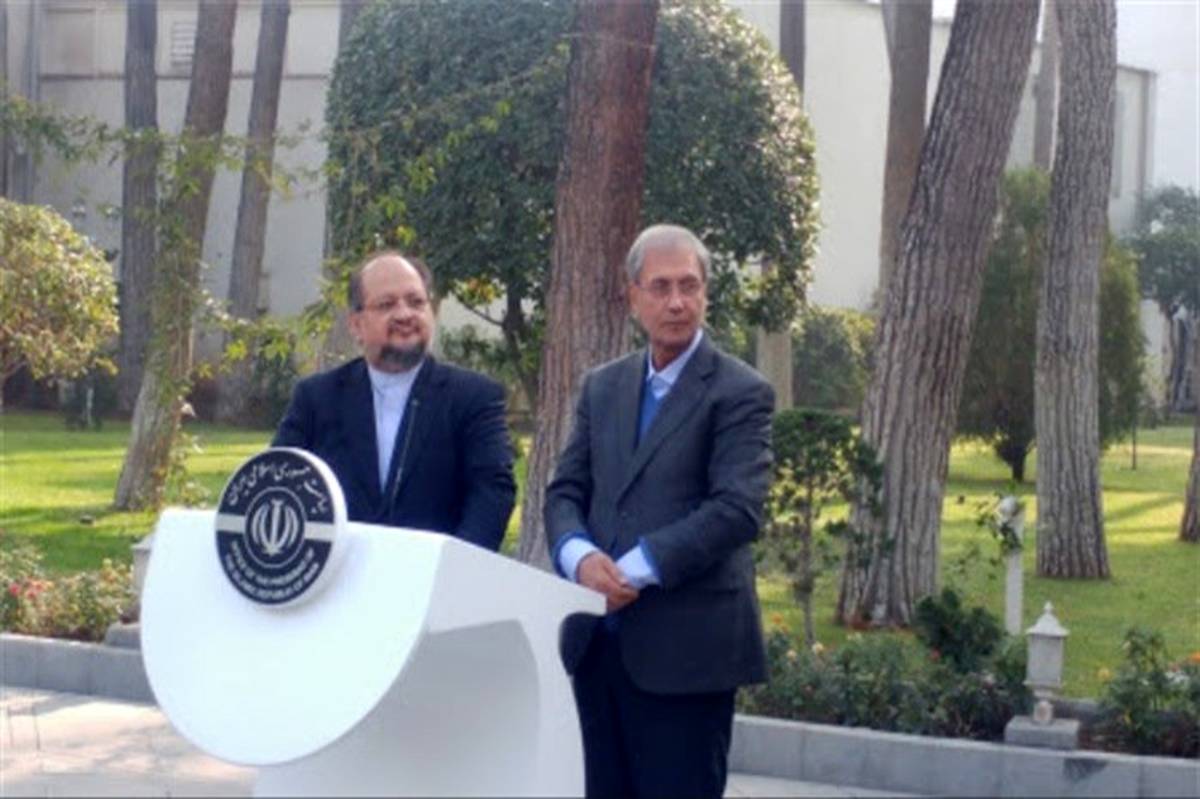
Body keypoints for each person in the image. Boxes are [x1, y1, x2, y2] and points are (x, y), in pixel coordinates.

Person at [545, 224, 773, 798]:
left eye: (689, 286)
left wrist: (635, 568)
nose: (676, 302)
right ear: (633, 296)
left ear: (705, 294)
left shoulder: (740, 391)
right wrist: (579, 557)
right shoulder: (603, 387)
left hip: (687, 660)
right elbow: (565, 491)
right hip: (596, 652)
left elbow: (738, 508)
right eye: (661, 287)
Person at [274, 251, 516, 551]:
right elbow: (276, 484)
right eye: (387, 304)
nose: (404, 315)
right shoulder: (316, 398)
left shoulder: (473, 397)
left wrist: (453, 568)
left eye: (416, 302)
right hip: (338, 570)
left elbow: (492, 493)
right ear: (356, 325)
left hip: (434, 572)